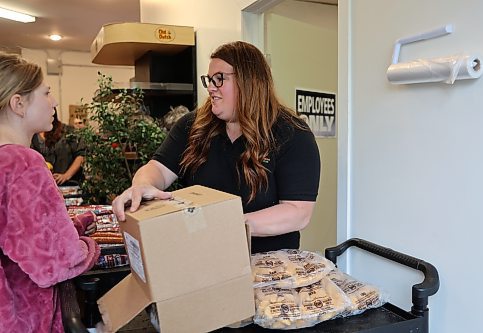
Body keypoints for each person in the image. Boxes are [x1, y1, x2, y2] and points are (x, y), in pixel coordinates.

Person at [112, 41, 321, 254]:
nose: (211, 87)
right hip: (202, 255)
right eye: (209, 80)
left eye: (219, 79)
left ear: (249, 82)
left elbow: (298, 212)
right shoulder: (192, 125)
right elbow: (158, 169)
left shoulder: (293, 134)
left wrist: (226, 223)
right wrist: (142, 184)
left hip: (269, 264)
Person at [0, 52, 100, 332]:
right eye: (45, 93)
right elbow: (58, 263)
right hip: (25, 315)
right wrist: (89, 247)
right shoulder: (24, 163)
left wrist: (71, 225)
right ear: (18, 103)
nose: (54, 102)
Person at [31, 109, 85, 186]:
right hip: (43, 186)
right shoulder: (32, 135)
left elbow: (81, 155)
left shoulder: (68, 131)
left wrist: (66, 176)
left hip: (68, 185)